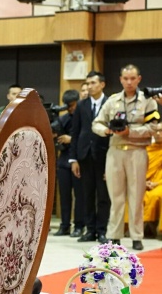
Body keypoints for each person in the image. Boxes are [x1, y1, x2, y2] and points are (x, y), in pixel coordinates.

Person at [92, 64, 158, 250]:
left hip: (137, 152)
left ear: (139, 79)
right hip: (115, 152)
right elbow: (96, 123)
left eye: (132, 78)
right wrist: (105, 130)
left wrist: (132, 131)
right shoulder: (112, 101)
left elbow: (154, 128)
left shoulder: (147, 101)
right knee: (116, 196)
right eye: (125, 78)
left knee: (136, 196)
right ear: (121, 79)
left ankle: (137, 236)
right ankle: (114, 235)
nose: (129, 82)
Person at [70, 71, 110, 243]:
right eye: (87, 83)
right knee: (86, 194)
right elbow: (75, 132)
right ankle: (89, 229)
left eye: (93, 82)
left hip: (104, 155)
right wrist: (74, 159)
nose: (89, 86)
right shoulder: (81, 105)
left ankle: (102, 230)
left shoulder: (111, 103)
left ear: (102, 84)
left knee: (103, 195)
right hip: (84, 154)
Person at [52, 90, 84, 237]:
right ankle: (64, 225)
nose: (71, 108)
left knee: (80, 196)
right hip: (64, 160)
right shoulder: (63, 119)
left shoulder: (84, 117)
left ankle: (79, 225)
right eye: (68, 106)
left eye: (73, 105)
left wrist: (70, 138)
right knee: (64, 196)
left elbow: (86, 136)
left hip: (80, 160)